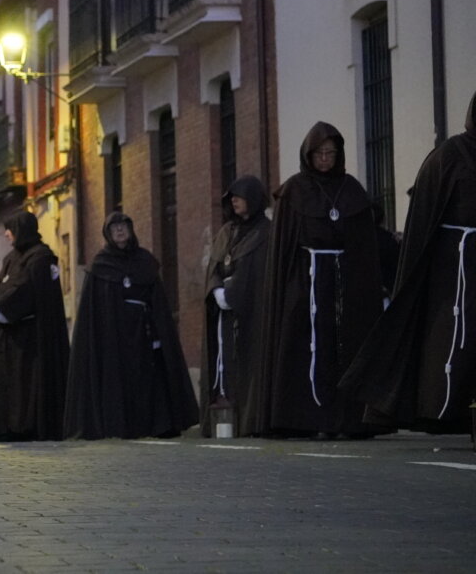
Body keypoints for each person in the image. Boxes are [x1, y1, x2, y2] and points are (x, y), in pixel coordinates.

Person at [344, 91, 476, 433]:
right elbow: (425, 216)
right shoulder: (449, 155)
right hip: (452, 265)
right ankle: (442, 409)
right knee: (450, 334)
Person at [260, 121, 383, 437]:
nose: (325, 159)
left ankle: (348, 420)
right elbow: (284, 247)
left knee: (345, 346)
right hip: (307, 281)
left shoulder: (351, 189)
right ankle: (307, 419)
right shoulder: (294, 191)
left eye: (331, 153)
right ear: (309, 155)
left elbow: (364, 245)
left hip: (345, 282)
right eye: (320, 154)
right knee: (307, 346)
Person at [64, 213, 198, 440]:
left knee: (147, 379)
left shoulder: (144, 261)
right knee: (118, 381)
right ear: (108, 233)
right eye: (114, 227)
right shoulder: (100, 265)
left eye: (123, 226)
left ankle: (153, 425)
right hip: (113, 335)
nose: (119, 230)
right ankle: (119, 425)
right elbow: (93, 309)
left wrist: (158, 331)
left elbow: (157, 301)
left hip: (142, 333)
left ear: (130, 229)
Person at [0, 212, 69, 441]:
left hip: (31, 337)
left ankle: (26, 427)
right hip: (10, 334)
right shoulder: (12, 258)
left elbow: (26, 289)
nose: (6, 234)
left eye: (10, 229)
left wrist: (2, 306)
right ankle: (9, 426)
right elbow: (0, 285)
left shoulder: (40, 258)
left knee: (27, 383)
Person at [200, 176, 272, 437]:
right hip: (224, 313)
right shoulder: (226, 232)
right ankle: (225, 418)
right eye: (232, 197)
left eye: (239, 196)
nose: (234, 201)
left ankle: (250, 420)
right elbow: (215, 265)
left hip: (252, 312)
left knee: (250, 363)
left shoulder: (266, 232)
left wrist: (234, 292)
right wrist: (215, 289)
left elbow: (259, 271)